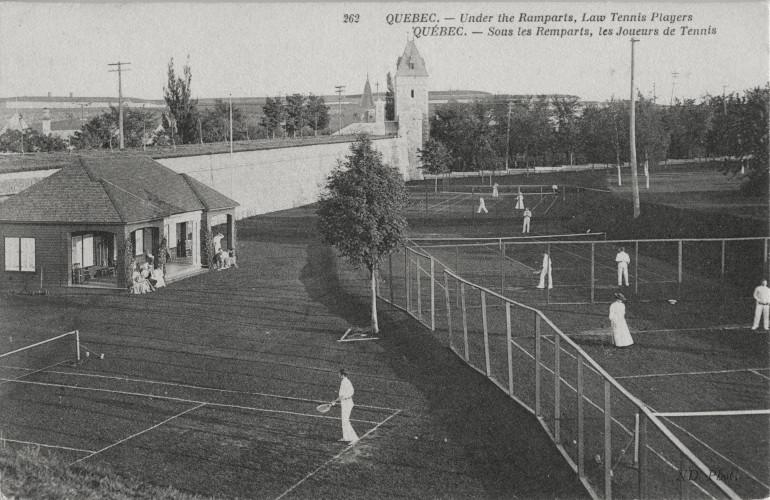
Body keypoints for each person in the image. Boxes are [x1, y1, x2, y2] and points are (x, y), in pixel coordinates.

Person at [331, 369, 359, 444]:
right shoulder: (347, 381)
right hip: (346, 403)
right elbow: (352, 391)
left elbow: (342, 396)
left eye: (339, 374)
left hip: (347, 404)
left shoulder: (344, 382)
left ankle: (354, 438)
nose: (338, 375)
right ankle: (346, 437)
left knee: (346, 421)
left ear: (342, 375)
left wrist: (334, 401)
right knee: (344, 421)